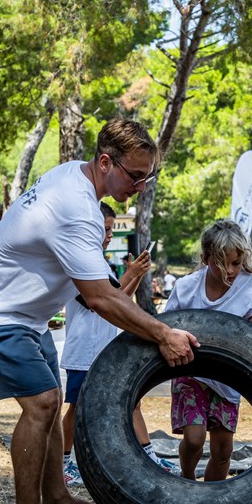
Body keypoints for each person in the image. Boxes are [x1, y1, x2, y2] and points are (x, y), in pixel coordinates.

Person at [0, 118, 199, 504]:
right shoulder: (77, 211)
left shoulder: (72, 174)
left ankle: (57, 498)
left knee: (54, 396)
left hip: (25, 315)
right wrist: (162, 333)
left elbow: (106, 292)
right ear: (105, 162)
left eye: (147, 177)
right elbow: (101, 299)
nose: (140, 187)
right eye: (135, 176)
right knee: (43, 403)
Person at [59, 202, 178, 487]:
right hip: (84, 352)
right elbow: (95, 299)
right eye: (106, 228)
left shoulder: (101, 262)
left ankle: (148, 455)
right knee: (77, 408)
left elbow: (119, 298)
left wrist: (135, 274)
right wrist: (130, 273)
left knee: (131, 400)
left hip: (105, 349)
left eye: (112, 229)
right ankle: (62, 463)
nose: (110, 234)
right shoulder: (79, 262)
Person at [164, 220, 252, 481]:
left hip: (227, 376)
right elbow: (166, 328)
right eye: (222, 263)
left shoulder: (248, 284)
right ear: (206, 258)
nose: (231, 271)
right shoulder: (186, 288)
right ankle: (187, 480)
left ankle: (211, 502)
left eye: (236, 263)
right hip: (191, 370)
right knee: (194, 439)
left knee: (223, 450)